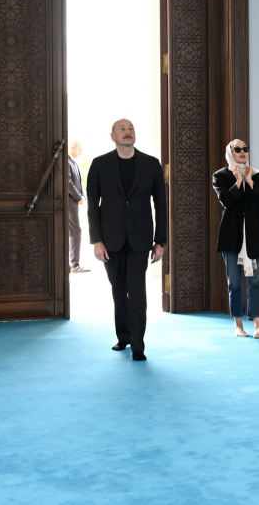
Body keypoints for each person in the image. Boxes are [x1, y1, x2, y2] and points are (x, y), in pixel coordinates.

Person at [87, 119, 167, 361]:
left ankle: (138, 346)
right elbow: (92, 206)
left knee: (137, 291)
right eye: (121, 129)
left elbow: (161, 205)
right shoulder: (99, 164)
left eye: (131, 128)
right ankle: (123, 336)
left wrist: (160, 241)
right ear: (112, 136)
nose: (127, 132)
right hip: (110, 240)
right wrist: (96, 240)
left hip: (140, 240)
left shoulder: (151, 164)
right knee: (118, 290)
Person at [212, 139, 259, 339]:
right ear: (229, 152)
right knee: (235, 283)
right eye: (237, 149)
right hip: (231, 238)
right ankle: (238, 325)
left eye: (245, 149)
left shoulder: (258, 176)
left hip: (254, 237)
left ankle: (258, 326)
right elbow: (227, 200)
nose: (242, 152)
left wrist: (249, 180)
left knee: (255, 283)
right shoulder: (221, 176)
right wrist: (238, 181)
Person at [67, 141, 89, 274]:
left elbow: (77, 182)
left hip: (73, 202)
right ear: (72, 148)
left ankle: (73, 264)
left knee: (74, 231)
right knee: (75, 232)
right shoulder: (66, 161)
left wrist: (82, 195)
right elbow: (68, 182)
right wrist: (78, 197)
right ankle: (74, 265)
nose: (81, 153)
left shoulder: (73, 162)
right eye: (79, 150)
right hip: (69, 202)